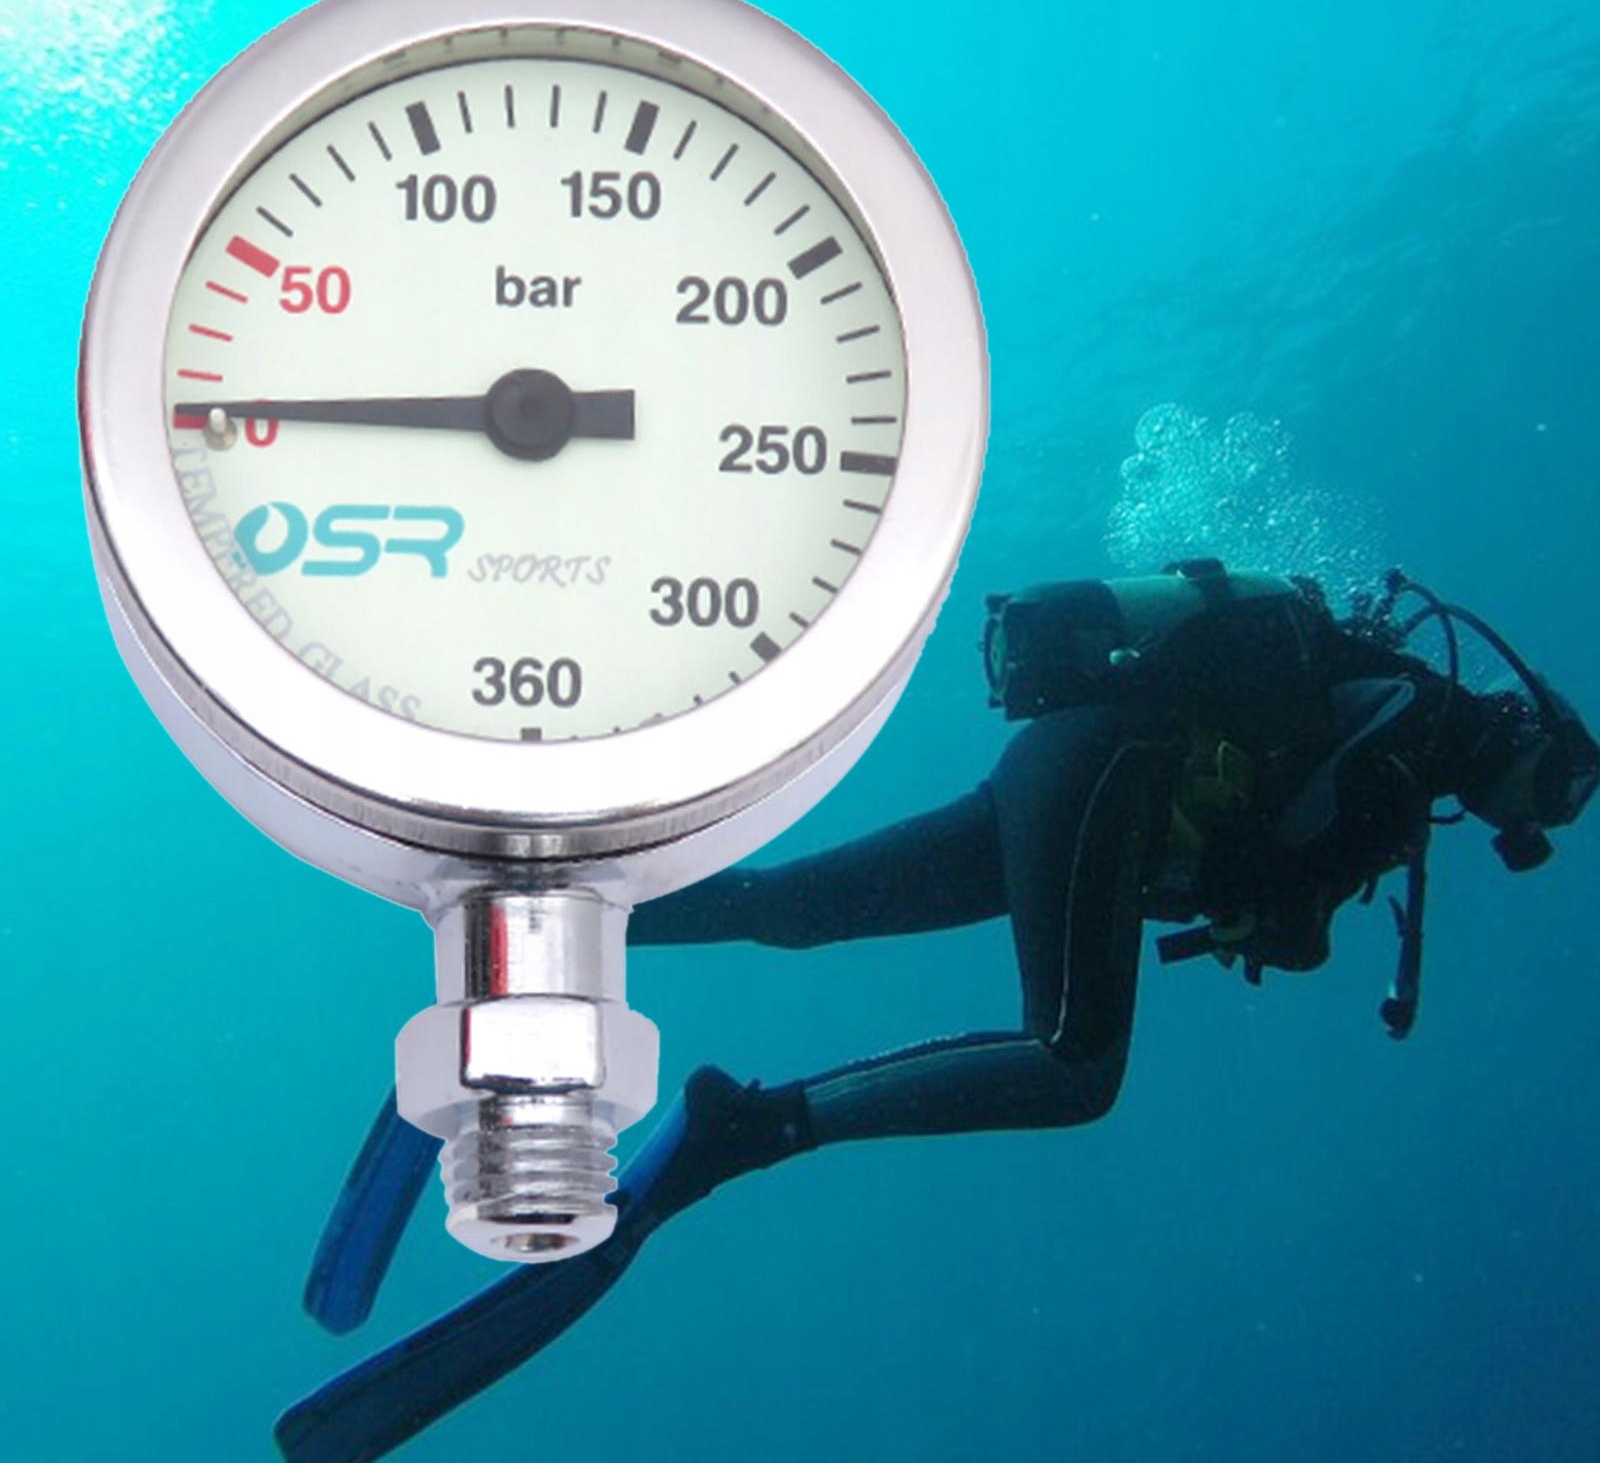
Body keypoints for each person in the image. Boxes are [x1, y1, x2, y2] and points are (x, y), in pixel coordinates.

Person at [275, 562, 1597, 1463]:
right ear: (1534, 737)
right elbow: (1273, 881)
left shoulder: (1390, 728)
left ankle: (550, 901)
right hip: (1109, 778)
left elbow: (1264, 860)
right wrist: (1282, 915)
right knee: (1072, 1066)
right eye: (1559, 793)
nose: (1538, 824)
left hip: (1070, 771)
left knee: (797, 907)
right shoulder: (1412, 734)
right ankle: (751, 1127)